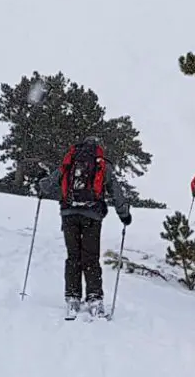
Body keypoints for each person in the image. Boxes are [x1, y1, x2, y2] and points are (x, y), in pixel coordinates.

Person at [36, 136, 131, 318]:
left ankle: (72, 296)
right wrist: (124, 214)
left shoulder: (71, 161)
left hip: (69, 214)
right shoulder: (102, 164)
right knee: (91, 257)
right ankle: (94, 297)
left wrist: (42, 184)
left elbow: (50, 183)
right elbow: (116, 191)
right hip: (92, 216)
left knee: (73, 256)